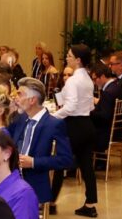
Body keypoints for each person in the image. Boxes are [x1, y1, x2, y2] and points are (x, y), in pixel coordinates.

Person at [6, 77, 74, 207]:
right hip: (12, 180)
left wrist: (33, 162)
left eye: (20, 94)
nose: (15, 98)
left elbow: (66, 160)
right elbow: (5, 140)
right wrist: (9, 113)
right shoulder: (20, 118)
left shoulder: (53, 124)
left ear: (32, 100)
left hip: (34, 184)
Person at [51, 45, 99, 217]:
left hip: (74, 126)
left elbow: (70, 107)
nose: (67, 58)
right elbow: (89, 105)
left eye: (69, 56)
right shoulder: (88, 79)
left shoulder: (73, 81)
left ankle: (51, 202)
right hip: (87, 124)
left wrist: (52, 117)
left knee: (58, 163)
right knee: (86, 166)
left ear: (78, 60)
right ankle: (90, 204)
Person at [94, 51, 122, 144]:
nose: (109, 66)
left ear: (121, 65)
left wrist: (99, 101)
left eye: (112, 64)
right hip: (116, 118)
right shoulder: (121, 79)